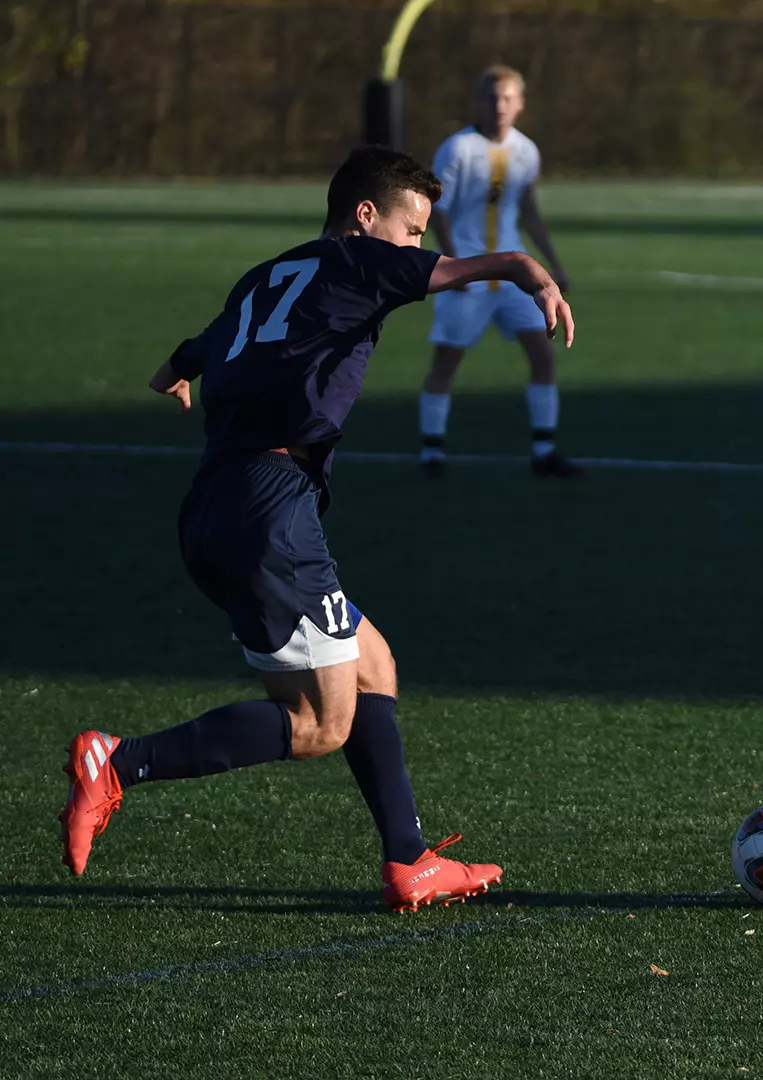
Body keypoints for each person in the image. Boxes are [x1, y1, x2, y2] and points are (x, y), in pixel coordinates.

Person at [60, 147, 575, 911]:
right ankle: (119, 761)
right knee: (318, 724)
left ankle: (409, 860)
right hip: (270, 511)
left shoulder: (266, 276)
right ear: (365, 216)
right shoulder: (362, 260)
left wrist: (175, 372)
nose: (415, 247)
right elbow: (460, 272)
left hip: (216, 506)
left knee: (374, 665)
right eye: (410, 229)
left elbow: (190, 352)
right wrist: (527, 267)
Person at [417, 65, 579, 477]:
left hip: (514, 274)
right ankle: (431, 451)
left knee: (543, 353)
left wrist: (554, 263)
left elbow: (528, 209)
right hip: (468, 272)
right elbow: (440, 211)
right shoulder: (457, 149)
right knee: (447, 360)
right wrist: (454, 265)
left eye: (508, 98)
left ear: (521, 104)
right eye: (492, 97)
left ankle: (544, 450)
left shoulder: (526, 151)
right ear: (479, 102)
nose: (499, 105)